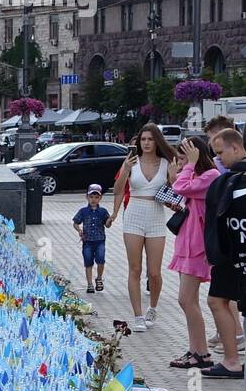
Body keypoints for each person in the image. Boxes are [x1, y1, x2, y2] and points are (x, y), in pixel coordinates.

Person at [110, 122, 179, 332]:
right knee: (135, 268)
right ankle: (137, 315)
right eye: (143, 139)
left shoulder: (168, 163)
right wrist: (126, 170)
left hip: (156, 215)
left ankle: (153, 308)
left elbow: (176, 193)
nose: (147, 143)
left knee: (154, 272)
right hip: (134, 214)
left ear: (157, 141)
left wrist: (175, 177)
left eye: (150, 139)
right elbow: (117, 190)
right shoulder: (131, 161)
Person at [166, 136, 221, 370]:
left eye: (184, 156)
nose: (181, 162)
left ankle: (202, 353)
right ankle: (195, 349)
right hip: (186, 243)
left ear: (196, 154)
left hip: (198, 247)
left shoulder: (210, 176)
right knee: (188, 301)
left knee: (186, 299)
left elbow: (181, 186)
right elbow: (179, 190)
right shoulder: (197, 175)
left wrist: (188, 165)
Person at [201, 128, 246, 380]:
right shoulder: (228, 179)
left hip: (231, 254)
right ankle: (231, 360)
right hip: (231, 253)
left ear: (236, 148)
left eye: (220, 154)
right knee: (217, 300)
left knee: (217, 301)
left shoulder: (231, 181)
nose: (218, 160)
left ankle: (232, 360)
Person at [72, 184, 111, 293]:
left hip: (100, 241)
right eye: (91, 197)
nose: (93, 199)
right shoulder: (83, 211)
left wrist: (109, 220)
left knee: (101, 260)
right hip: (87, 241)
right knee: (88, 262)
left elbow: (107, 225)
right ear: (87, 197)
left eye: (96, 197)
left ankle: (99, 278)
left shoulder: (103, 211)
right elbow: (75, 223)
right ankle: (89, 284)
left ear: (100, 198)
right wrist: (79, 230)